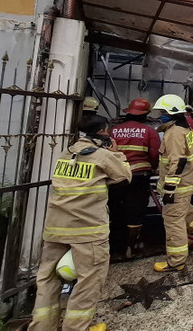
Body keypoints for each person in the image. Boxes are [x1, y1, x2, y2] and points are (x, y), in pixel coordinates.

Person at [30, 114, 131, 331]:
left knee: (47, 281)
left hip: (56, 227)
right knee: (89, 282)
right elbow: (123, 177)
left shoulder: (67, 153)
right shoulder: (102, 156)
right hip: (88, 230)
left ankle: (41, 327)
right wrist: (117, 154)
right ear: (104, 132)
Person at [152, 94, 193, 272]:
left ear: (171, 113)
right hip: (186, 183)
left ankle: (176, 261)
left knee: (173, 221)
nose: (160, 114)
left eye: (162, 112)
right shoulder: (181, 129)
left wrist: (169, 189)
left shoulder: (174, 133)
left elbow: (177, 162)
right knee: (184, 208)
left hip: (177, 185)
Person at [109, 98, 161, 260]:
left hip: (116, 176)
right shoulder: (149, 132)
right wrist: (152, 168)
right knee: (135, 211)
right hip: (139, 176)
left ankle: (116, 246)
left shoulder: (114, 130)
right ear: (145, 115)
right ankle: (131, 248)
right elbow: (154, 155)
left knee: (116, 211)